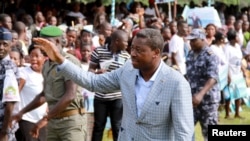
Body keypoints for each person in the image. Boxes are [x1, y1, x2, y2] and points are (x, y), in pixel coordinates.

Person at [33, 28, 194, 141]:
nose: (132, 54)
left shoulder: (177, 84)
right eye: (132, 48)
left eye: (139, 50)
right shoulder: (127, 71)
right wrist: (60, 59)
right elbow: (92, 82)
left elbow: (184, 134)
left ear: (156, 53)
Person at [12, 26, 87, 141]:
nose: (42, 46)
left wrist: (45, 118)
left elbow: (70, 95)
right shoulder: (47, 65)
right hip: (53, 123)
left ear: (57, 42)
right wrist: (22, 112)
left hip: (71, 122)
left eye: (46, 42)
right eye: (41, 42)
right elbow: (44, 96)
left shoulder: (70, 62)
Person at [88, 30, 130, 141]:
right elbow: (90, 70)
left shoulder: (126, 56)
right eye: (125, 42)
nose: (127, 44)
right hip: (100, 97)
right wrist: (97, 73)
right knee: (98, 127)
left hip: (117, 97)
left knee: (117, 127)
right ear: (117, 41)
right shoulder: (98, 51)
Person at [185, 28, 220, 141]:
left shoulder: (210, 55)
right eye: (190, 40)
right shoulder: (190, 54)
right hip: (192, 100)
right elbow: (189, 75)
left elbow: (213, 77)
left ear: (202, 39)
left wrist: (200, 94)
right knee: (186, 129)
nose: (191, 43)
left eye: (194, 40)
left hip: (208, 100)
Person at [14, 44, 47, 141]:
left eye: (37, 56)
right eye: (31, 56)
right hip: (25, 119)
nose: (33, 59)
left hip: (41, 121)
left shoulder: (48, 74)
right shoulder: (24, 73)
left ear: (45, 58)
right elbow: (14, 95)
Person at [0, 26, 20, 141]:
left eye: (5, 44)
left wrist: (4, 131)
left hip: (2, 128)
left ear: (10, 45)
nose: (1, 47)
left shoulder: (8, 68)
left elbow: (10, 103)